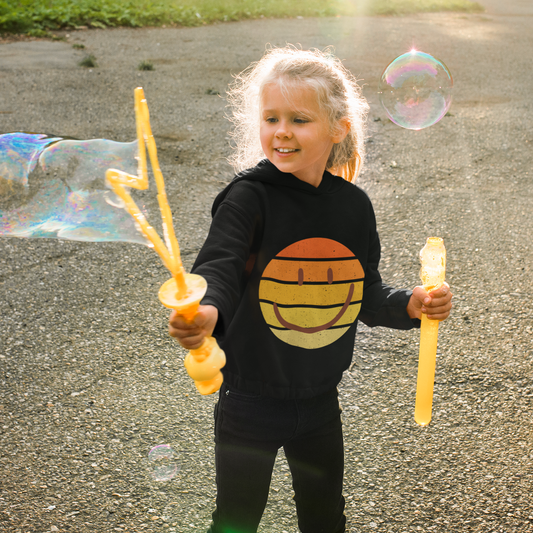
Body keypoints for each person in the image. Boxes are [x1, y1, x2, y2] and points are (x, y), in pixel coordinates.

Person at [168, 46, 453, 533]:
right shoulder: (247, 198)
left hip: (320, 401)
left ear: (338, 127)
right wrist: (208, 311)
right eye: (271, 117)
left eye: (299, 119)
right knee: (236, 518)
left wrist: (410, 303)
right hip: (249, 401)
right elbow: (220, 265)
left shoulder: (353, 207)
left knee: (325, 517)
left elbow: (363, 291)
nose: (281, 131)